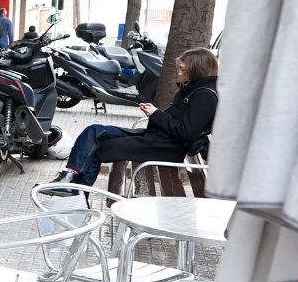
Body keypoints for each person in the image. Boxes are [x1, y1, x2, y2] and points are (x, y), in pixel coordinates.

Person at [55, 48, 219, 187]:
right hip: (156, 139)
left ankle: (76, 191)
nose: (179, 72)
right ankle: (70, 176)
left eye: (183, 69)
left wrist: (155, 114)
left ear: (196, 69)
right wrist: (154, 113)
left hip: (163, 149)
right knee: (94, 131)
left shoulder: (204, 95)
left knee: (101, 147)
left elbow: (186, 132)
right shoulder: (196, 89)